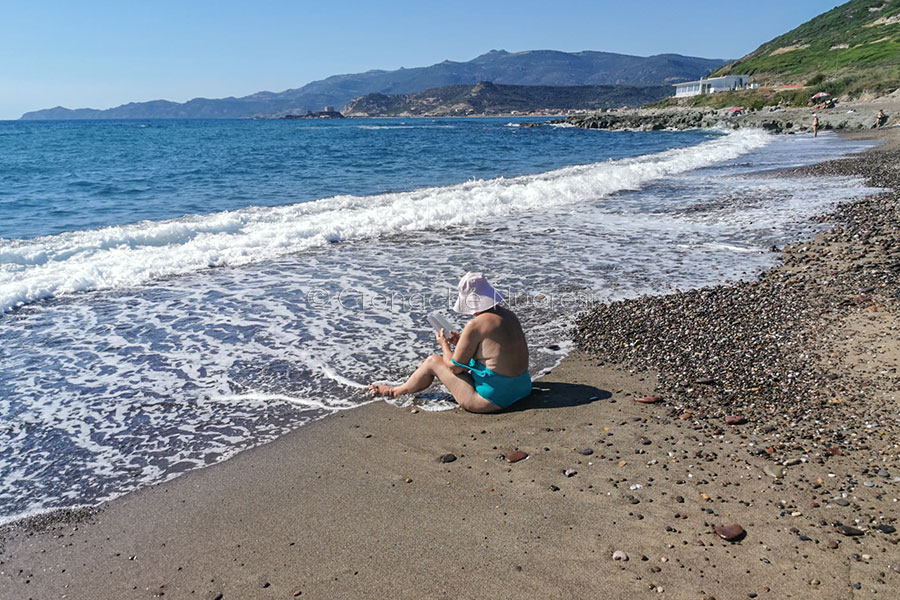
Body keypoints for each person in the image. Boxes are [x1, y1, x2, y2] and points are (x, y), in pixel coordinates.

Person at [370, 272, 531, 413]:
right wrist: (461, 342)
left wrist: (444, 345)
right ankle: (398, 390)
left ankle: (395, 391)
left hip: (492, 400)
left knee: (433, 361)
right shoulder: (509, 315)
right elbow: (493, 351)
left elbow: (455, 368)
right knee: (456, 361)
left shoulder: (475, 325)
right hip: (523, 388)